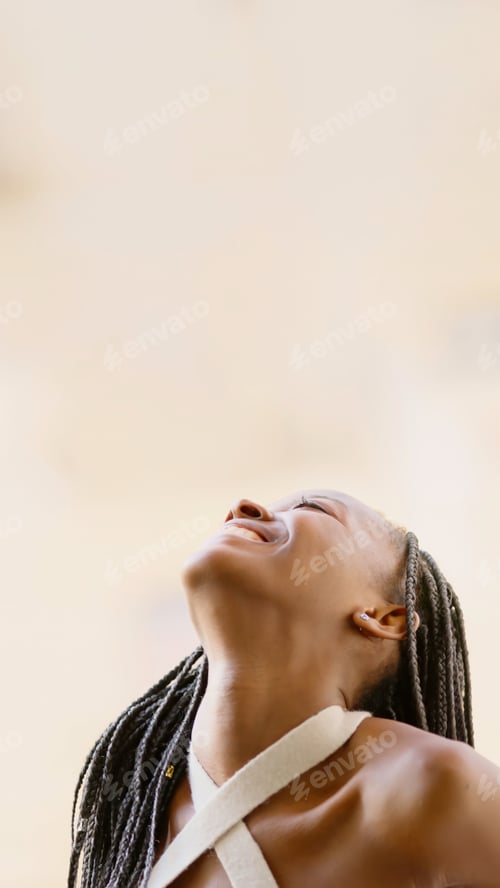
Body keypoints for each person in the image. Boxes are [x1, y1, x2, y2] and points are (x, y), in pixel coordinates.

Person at [68, 489, 500, 887]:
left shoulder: (434, 786)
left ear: (382, 617)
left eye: (311, 508)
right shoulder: (135, 814)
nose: (244, 508)